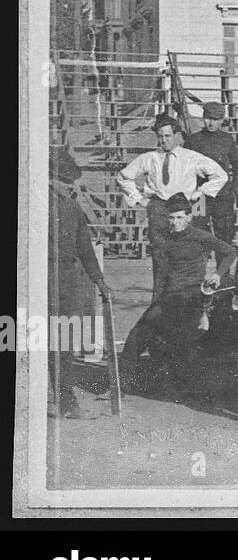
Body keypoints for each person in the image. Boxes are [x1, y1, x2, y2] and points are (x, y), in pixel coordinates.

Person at [119, 192, 237, 393]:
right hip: (167, 298)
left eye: (180, 217)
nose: (175, 222)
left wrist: (218, 274)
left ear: (189, 217)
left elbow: (230, 252)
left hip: (190, 298)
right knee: (136, 336)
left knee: (181, 343)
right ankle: (120, 385)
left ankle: (188, 389)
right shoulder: (164, 239)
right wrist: (156, 301)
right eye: (171, 218)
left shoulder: (201, 237)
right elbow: (163, 275)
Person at [116, 114, 229, 294]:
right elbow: (123, 177)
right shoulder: (149, 158)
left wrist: (200, 192)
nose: (164, 141)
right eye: (160, 136)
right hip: (159, 209)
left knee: (186, 256)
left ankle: (188, 299)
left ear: (176, 135)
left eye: (168, 136)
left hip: (184, 210)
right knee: (160, 258)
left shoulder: (191, 157)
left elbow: (220, 175)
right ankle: (159, 303)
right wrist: (139, 198)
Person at [48, 148, 110, 419]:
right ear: (51, 179)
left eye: (71, 183)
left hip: (66, 282)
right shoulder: (35, 205)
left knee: (63, 342)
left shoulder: (73, 207)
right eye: (65, 182)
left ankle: (66, 400)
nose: (70, 188)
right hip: (41, 280)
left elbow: (86, 249)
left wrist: (100, 281)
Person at [184, 101, 238, 244]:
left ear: (222, 120)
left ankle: (223, 267)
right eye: (208, 118)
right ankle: (197, 266)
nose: (211, 123)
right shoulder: (193, 140)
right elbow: (184, 168)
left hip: (223, 196)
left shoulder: (227, 139)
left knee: (224, 235)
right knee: (197, 233)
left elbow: (237, 166)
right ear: (203, 117)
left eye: (216, 119)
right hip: (200, 197)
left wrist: (235, 189)